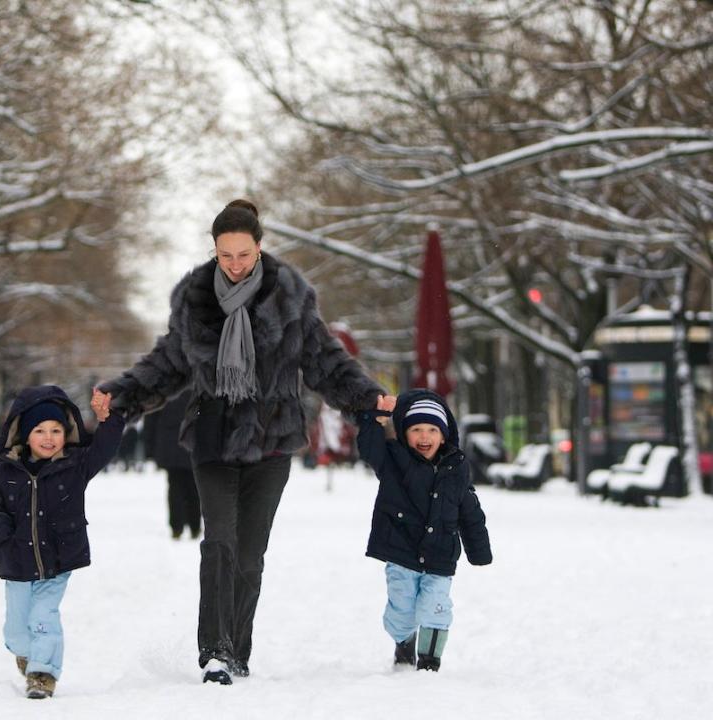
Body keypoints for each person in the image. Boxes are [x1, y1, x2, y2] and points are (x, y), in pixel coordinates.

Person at [97, 199, 384, 684]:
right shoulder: (195, 300)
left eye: (243, 255)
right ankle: (215, 651)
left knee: (250, 556)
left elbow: (324, 363)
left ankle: (238, 650)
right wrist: (121, 394)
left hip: (271, 442)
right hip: (212, 439)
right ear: (214, 249)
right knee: (219, 544)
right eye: (225, 255)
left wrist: (369, 398)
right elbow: (169, 362)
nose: (234, 265)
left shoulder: (290, 299)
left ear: (259, 247)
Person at [0, 385, 123, 700]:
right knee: (16, 631)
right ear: (25, 434)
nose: (49, 437)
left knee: (44, 616)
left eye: (56, 430)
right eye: (40, 430)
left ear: (66, 432)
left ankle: (43, 674)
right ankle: (27, 653)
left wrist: (107, 419)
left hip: (58, 560)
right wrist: (1, 542)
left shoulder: (74, 466)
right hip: (16, 559)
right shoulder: (1, 473)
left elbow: (105, 447)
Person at [356, 389, 492, 672]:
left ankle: (430, 662)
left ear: (444, 435)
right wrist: (378, 418)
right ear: (405, 433)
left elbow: (470, 511)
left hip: (440, 554)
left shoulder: (456, 468)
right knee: (401, 611)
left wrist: (479, 550)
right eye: (416, 429)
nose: (424, 437)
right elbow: (369, 448)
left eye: (432, 429)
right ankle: (403, 646)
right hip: (401, 552)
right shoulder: (393, 461)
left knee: (436, 609)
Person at [144, 389, 201, 540]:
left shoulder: (165, 388)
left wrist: (150, 448)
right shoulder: (195, 384)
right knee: (193, 488)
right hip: (191, 443)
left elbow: (151, 418)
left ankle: (177, 526)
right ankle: (194, 525)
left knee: (175, 487)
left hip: (170, 445)